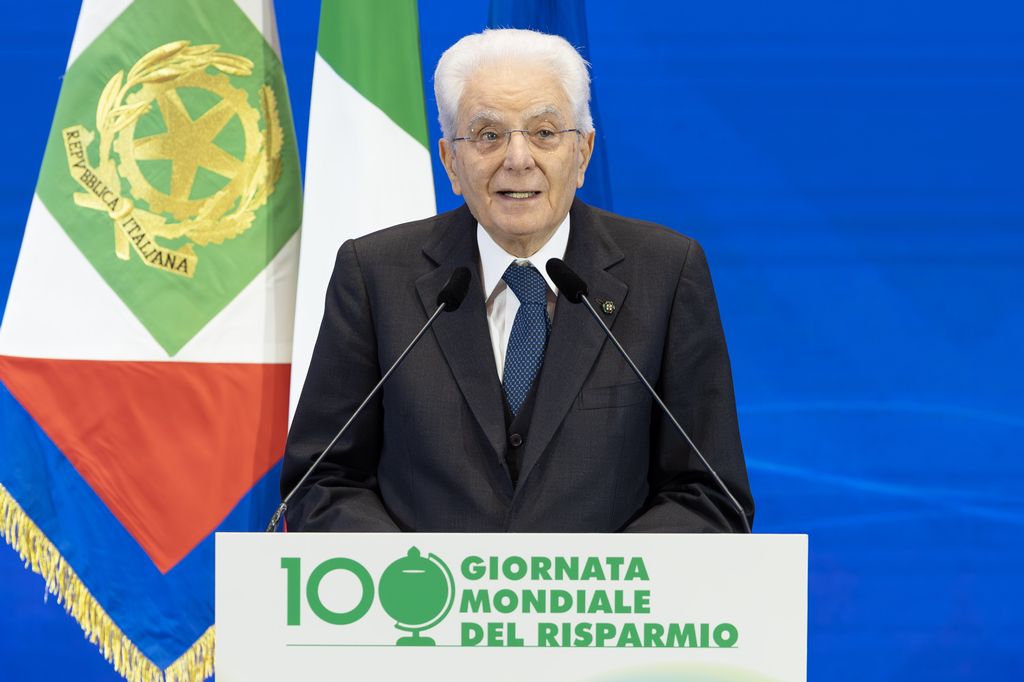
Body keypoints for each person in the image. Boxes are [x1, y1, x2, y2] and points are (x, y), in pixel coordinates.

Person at [280, 28, 753, 533]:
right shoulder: (375, 275)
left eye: (544, 132)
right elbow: (322, 479)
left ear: (583, 153)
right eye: (489, 135)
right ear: (450, 162)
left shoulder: (666, 272)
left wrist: (602, 574)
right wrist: (408, 572)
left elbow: (709, 495)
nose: (518, 159)